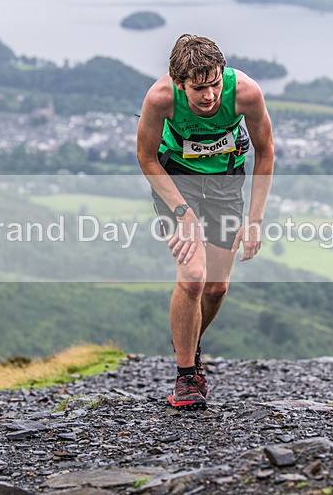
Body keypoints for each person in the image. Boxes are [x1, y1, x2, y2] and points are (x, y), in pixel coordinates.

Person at [136, 34, 274, 409]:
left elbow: (265, 152)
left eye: (214, 84)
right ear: (180, 83)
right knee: (193, 277)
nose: (210, 96)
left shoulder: (245, 92)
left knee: (216, 288)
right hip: (176, 180)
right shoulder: (160, 99)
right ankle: (186, 376)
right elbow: (146, 158)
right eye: (199, 88)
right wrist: (182, 213)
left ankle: (189, 340)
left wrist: (255, 219)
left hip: (226, 182)